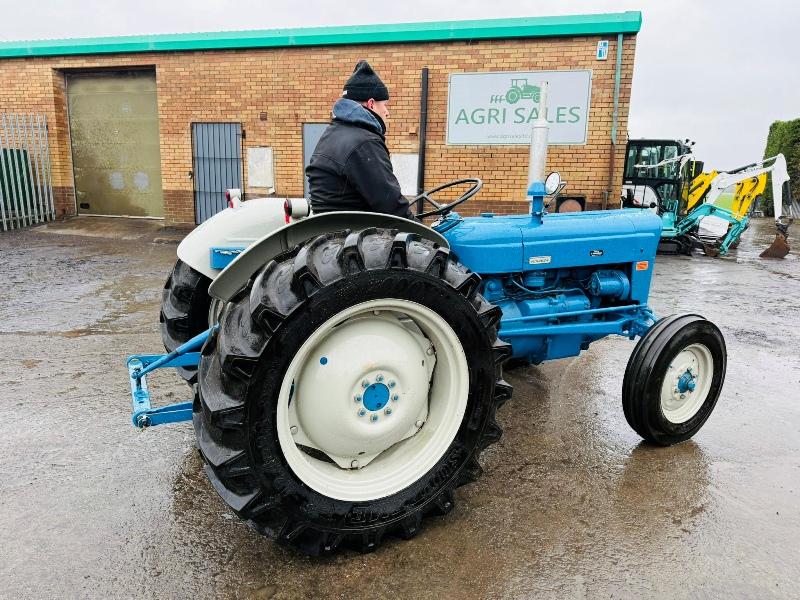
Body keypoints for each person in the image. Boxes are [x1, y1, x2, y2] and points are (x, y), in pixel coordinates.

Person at [305, 60, 416, 220]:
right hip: (353, 230)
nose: (387, 112)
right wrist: (424, 232)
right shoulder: (365, 142)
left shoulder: (332, 133)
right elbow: (392, 206)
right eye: (385, 105)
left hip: (328, 225)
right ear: (371, 104)